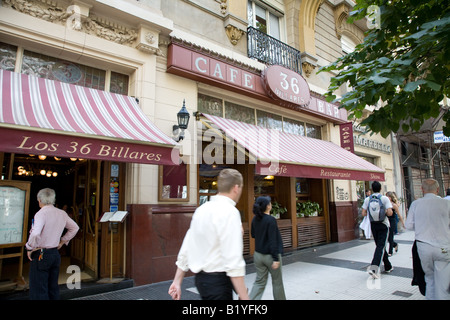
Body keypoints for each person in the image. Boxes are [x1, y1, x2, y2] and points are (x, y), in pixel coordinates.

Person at [168, 169, 249, 300]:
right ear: (236, 188)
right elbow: (233, 261)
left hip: (201, 281)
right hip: (219, 283)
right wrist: (245, 297)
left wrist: (177, 281)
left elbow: (187, 245)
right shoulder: (230, 212)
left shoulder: (201, 210)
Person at [26, 188, 79, 300]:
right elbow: (75, 228)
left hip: (41, 253)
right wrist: (62, 241)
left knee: (39, 289)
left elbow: (35, 233)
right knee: (53, 287)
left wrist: (29, 247)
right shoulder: (62, 213)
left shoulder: (41, 214)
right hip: (55, 253)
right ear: (53, 199)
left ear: (39, 199)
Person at [405, 178, 450, 300]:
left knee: (429, 279)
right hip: (443, 247)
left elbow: (408, 225)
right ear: (438, 189)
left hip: (423, 247)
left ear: (422, 189)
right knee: (443, 283)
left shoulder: (415, 204)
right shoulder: (446, 204)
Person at [249, 196, 286, 300]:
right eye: (270, 203)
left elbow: (253, 235)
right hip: (270, 256)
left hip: (258, 255)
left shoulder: (255, 219)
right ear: (268, 206)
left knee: (259, 282)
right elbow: (273, 240)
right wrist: (275, 259)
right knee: (277, 282)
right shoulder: (271, 220)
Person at [361, 181, 393, 279]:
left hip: (373, 225)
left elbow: (363, 213)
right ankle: (373, 269)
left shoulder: (368, 199)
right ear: (380, 189)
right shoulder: (384, 198)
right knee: (380, 246)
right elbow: (390, 213)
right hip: (383, 224)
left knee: (380, 246)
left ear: (371, 189)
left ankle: (388, 266)